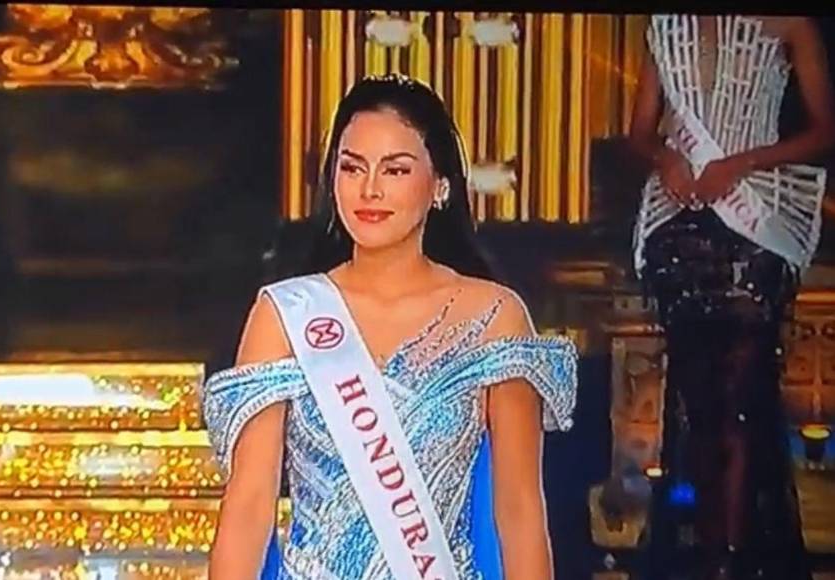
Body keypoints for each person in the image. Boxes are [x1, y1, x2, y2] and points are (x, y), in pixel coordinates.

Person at [200, 75, 578, 579]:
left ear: (440, 185)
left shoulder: (494, 317)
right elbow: (249, 506)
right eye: (352, 167)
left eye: (395, 169)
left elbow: (519, 512)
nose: (369, 189)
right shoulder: (288, 314)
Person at [628, 15, 835, 580]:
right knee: (699, 401)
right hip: (679, 226)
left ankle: (732, 558)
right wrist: (665, 158)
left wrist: (741, 163)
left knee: (740, 399)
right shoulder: (666, 26)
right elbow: (639, 131)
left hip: (755, 217)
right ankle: (706, 550)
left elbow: (824, 130)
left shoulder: (790, 23)